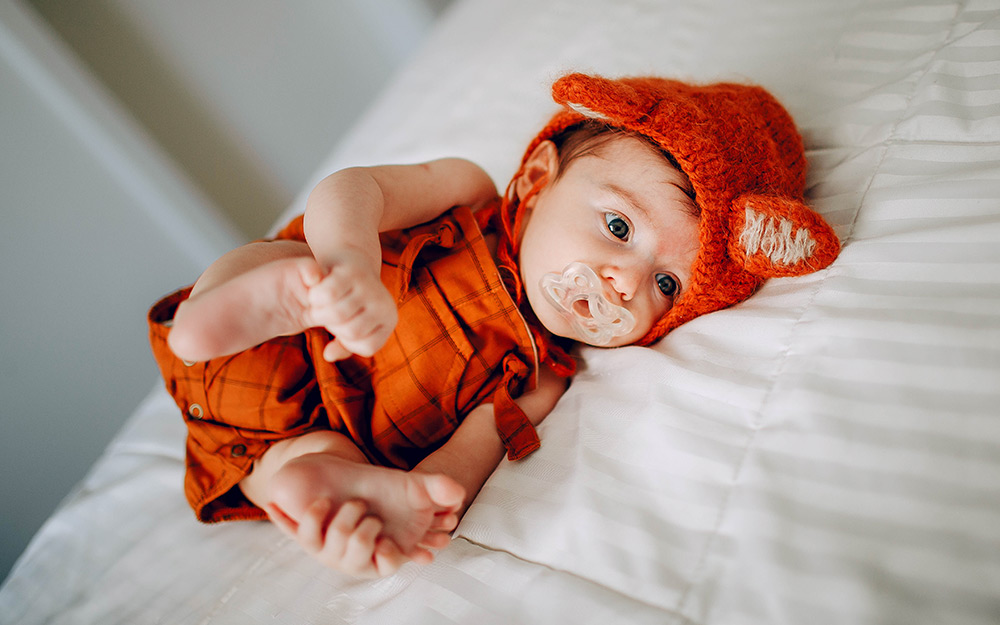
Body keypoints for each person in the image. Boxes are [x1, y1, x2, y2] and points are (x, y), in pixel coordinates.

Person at [148, 73, 840, 578]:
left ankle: (323, 493)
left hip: (273, 438)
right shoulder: (466, 194)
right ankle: (262, 300)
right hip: (284, 328)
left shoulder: (546, 374)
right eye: (619, 226)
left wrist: (420, 495)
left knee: (297, 469)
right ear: (537, 180)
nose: (622, 282)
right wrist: (349, 263)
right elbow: (351, 189)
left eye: (666, 284)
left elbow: (475, 449)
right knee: (277, 258)